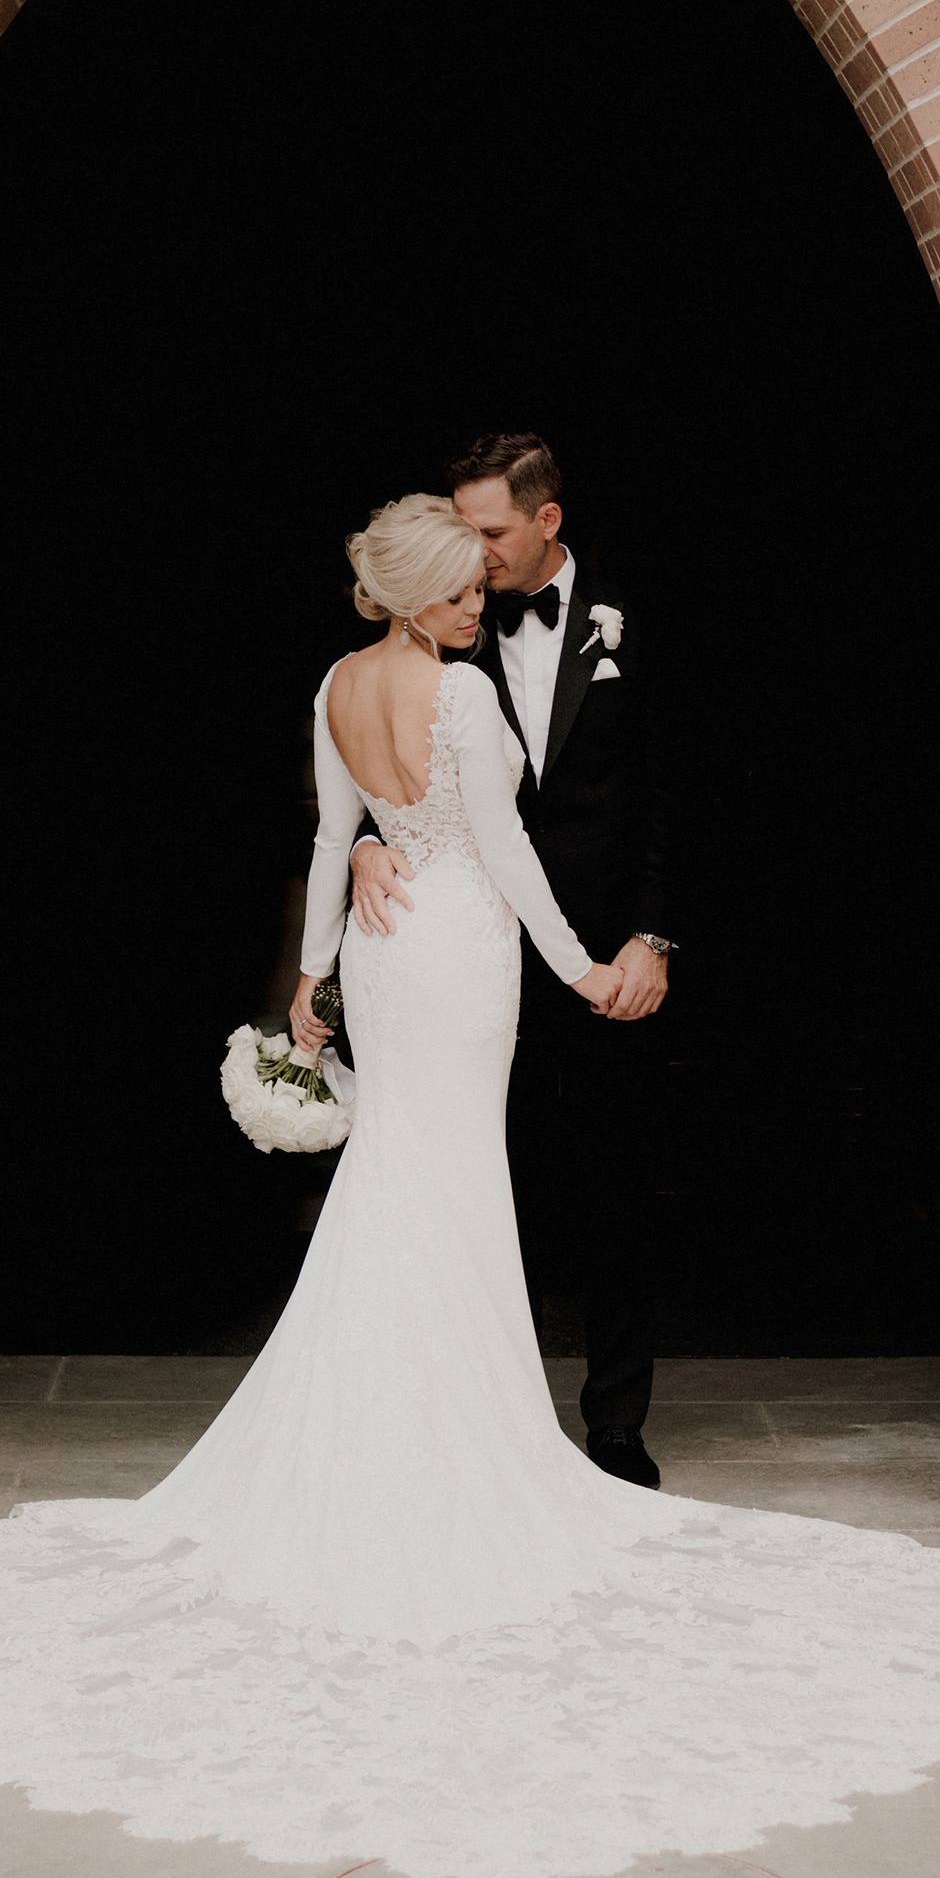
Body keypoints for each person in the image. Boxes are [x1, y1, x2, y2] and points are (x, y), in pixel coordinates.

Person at [0, 493, 940, 1878]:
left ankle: (397, 1426)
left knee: (405, 1175)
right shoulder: (453, 693)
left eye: (479, 589)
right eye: (460, 593)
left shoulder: (334, 686)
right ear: (418, 598)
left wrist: (312, 979)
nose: (478, 608)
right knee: (444, 1181)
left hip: (387, 965)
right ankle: (461, 1447)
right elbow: (505, 854)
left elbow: (336, 841)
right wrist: (580, 966)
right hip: (459, 955)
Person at [350, 432, 671, 1485]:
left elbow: (682, 788)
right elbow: (374, 755)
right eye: (457, 532)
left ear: (546, 521)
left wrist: (651, 935)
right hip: (469, 956)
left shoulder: (636, 615)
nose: (469, 556)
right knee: (485, 1183)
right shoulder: (439, 618)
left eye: (485, 532)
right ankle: (488, 1418)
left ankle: (615, 1424)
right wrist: (366, 843)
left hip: (606, 956)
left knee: (617, 1186)